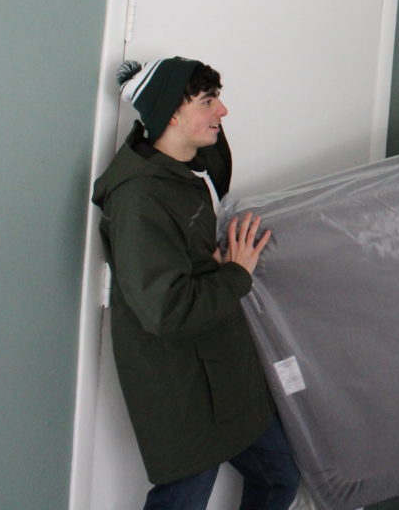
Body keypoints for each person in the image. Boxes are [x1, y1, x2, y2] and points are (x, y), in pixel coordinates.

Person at [92, 56, 300, 510]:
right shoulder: (139, 200)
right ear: (171, 113)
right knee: (182, 500)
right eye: (208, 101)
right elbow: (166, 309)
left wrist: (219, 264)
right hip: (181, 386)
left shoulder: (187, 168)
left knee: (280, 476)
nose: (222, 112)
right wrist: (236, 273)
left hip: (227, 372)